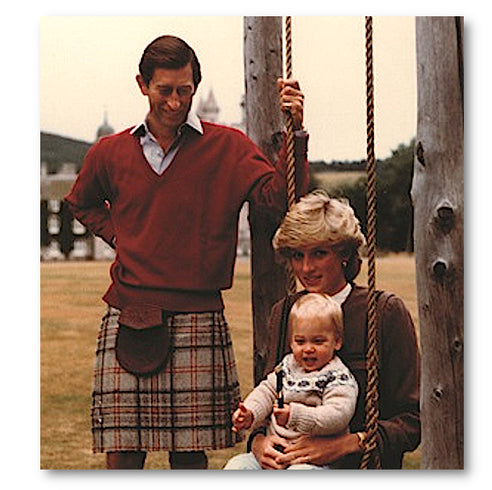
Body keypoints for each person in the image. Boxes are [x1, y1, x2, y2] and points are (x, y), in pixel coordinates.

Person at [64, 34, 308, 470]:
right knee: (122, 454)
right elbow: (80, 203)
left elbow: (279, 200)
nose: (175, 102)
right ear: (142, 84)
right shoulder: (110, 152)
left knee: (190, 458)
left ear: (195, 85)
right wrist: (120, 235)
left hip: (199, 313)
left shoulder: (228, 147)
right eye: (165, 91)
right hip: (129, 312)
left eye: (185, 90)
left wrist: (297, 135)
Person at [247, 190, 420, 469]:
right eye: (297, 255)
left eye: (318, 253)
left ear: (343, 254)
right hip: (286, 459)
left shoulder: (385, 312)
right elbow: (270, 394)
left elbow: (412, 421)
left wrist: (348, 443)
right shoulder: (284, 312)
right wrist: (258, 443)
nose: (306, 268)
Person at [224, 293, 359, 470]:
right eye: (300, 341)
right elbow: (266, 391)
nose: (308, 349)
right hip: (275, 453)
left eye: (318, 341)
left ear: (337, 342)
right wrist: (250, 412)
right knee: (237, 466)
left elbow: (337, 416)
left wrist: (295, 416)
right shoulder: (288, 366)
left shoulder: (337, 376)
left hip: (314, 462)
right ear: (291, 342)